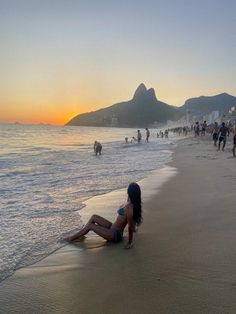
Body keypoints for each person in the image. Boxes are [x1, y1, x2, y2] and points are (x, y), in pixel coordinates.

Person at [66, 183, 142, 249]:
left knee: (90, 226)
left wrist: (129, 242)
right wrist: (135, 229)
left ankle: (71, 239)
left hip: (115, 235)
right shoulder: (129, 202)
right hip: (112, 227)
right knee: (94, 217)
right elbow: (132, 221)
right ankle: (81, 236)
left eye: (128, 190)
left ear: (130, 192)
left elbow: (130, 226)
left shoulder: (129, 208)